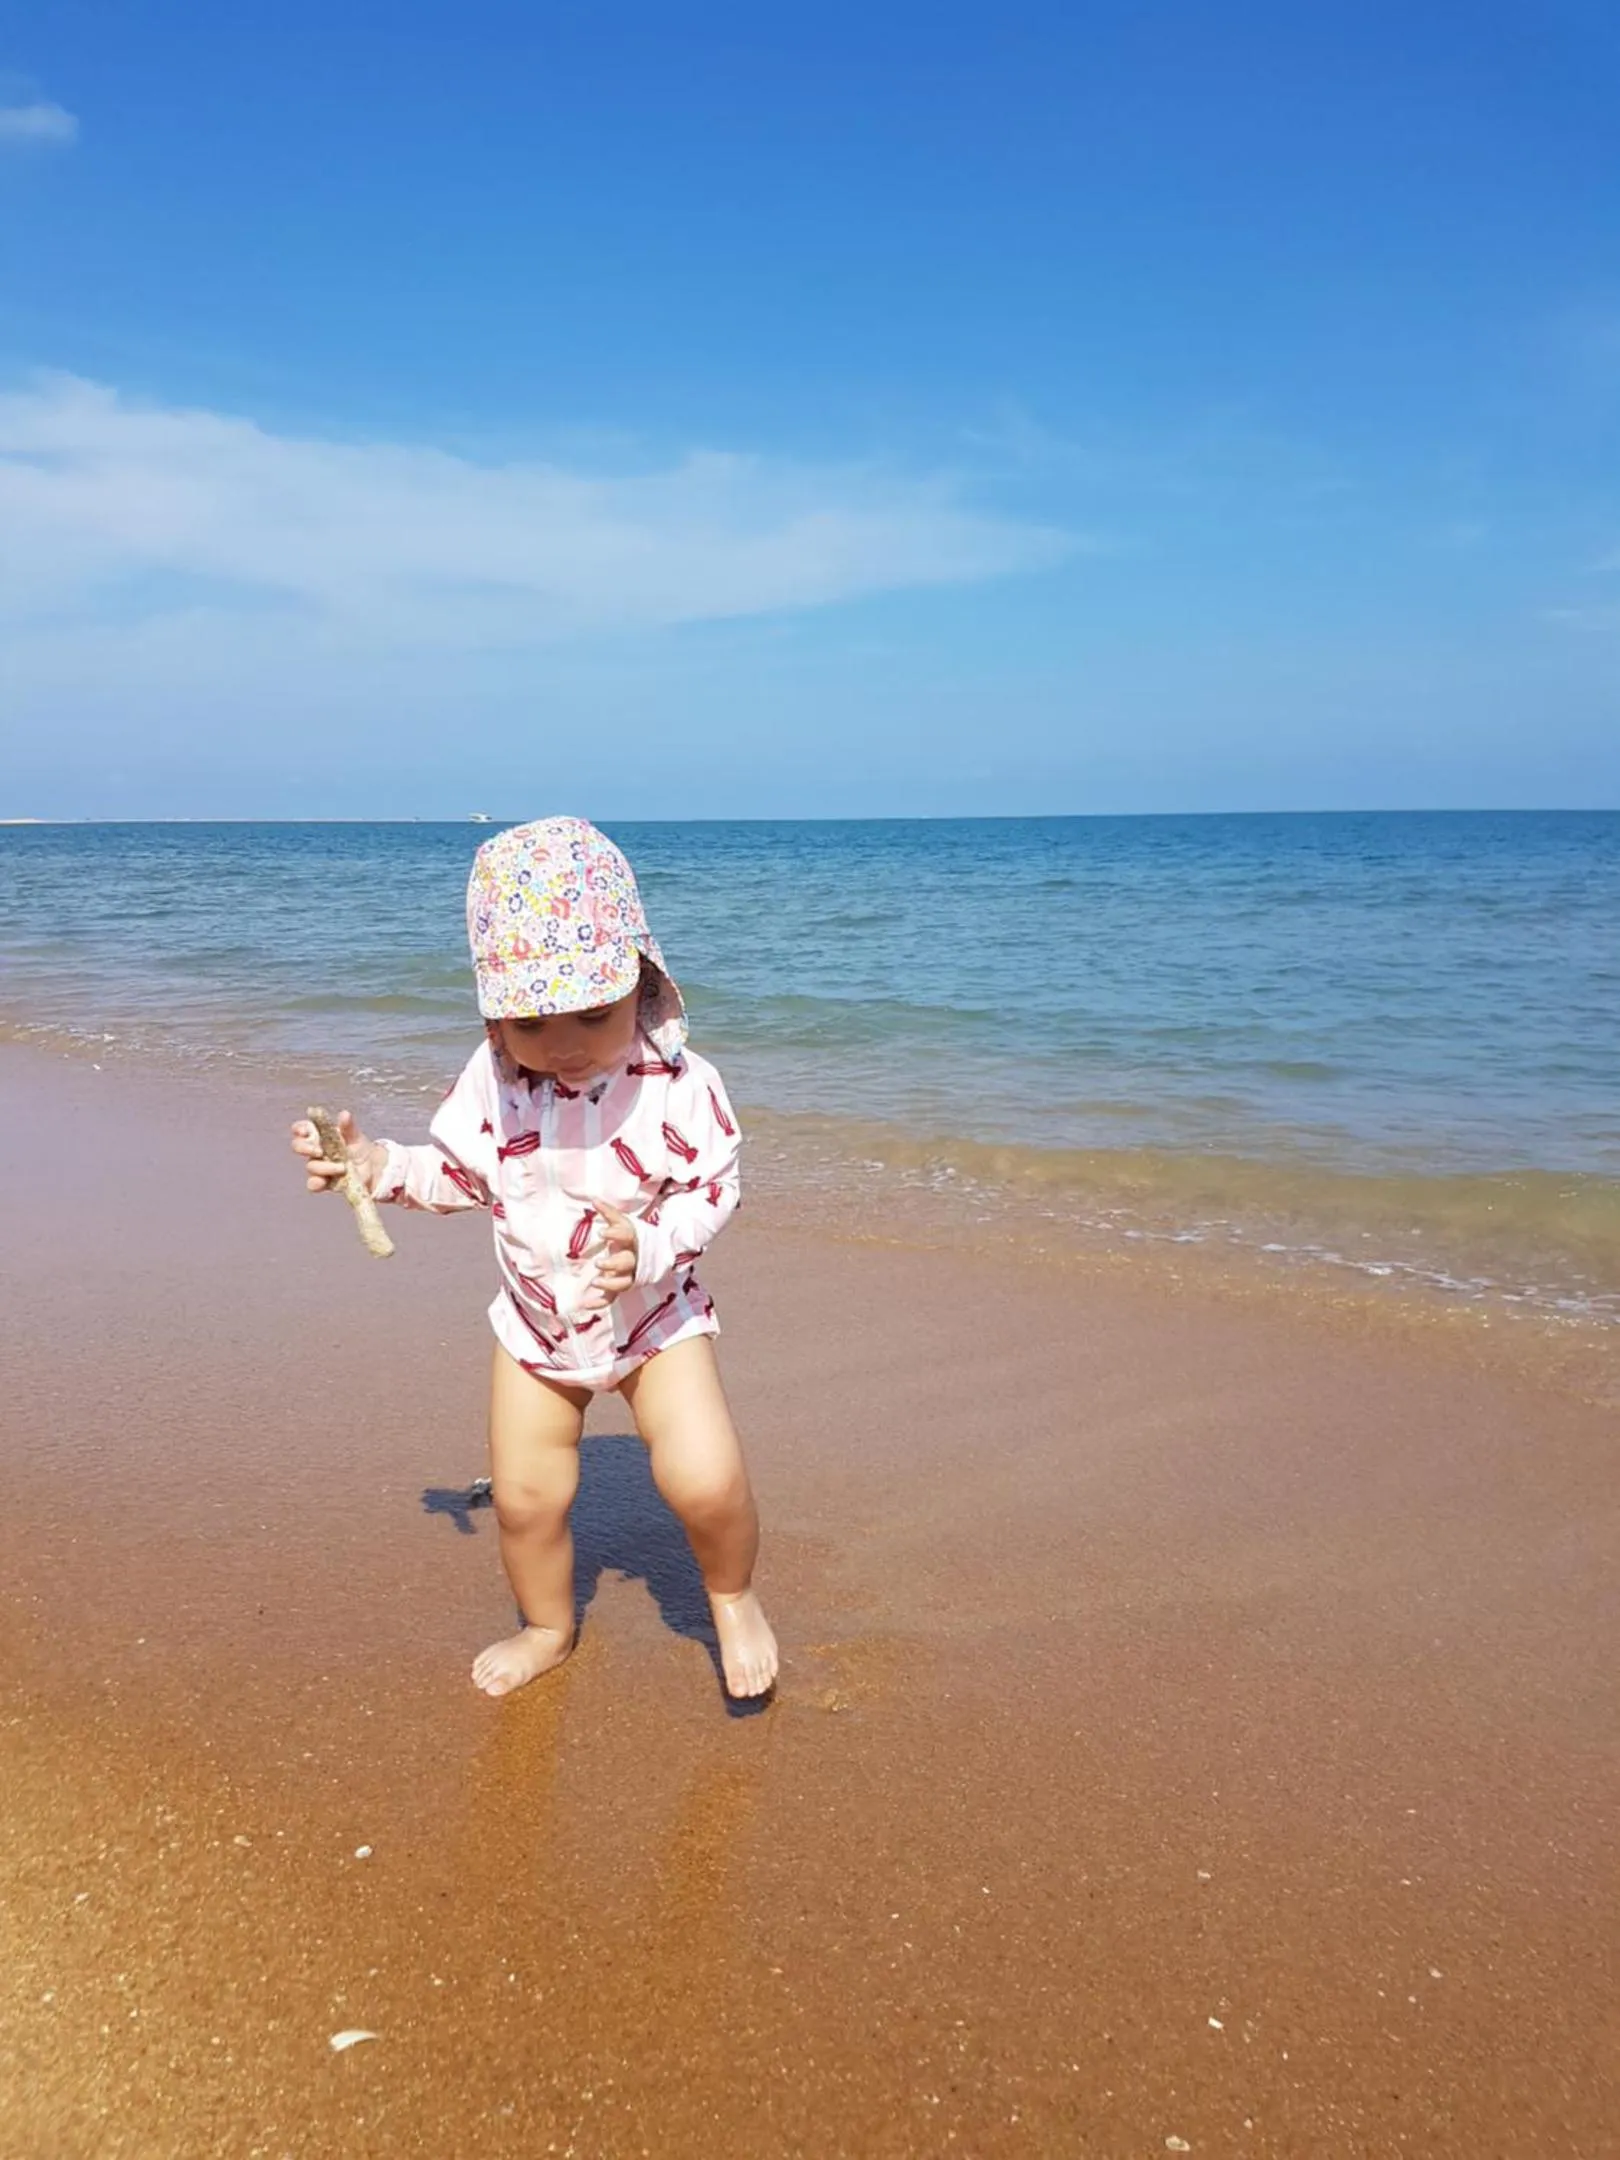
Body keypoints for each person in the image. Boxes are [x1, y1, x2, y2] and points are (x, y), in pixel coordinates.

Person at [290, 817, 778, 1702]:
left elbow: (716, 1184)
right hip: (535, 1330)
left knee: (704, 1478)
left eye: (594, 1012)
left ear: (643, 983)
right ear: (493, 1013)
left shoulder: (679, 1085)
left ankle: (732, 1595)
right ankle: (547, 1625)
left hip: (654, 1319)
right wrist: (377, 1166)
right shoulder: (492, 1083)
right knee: (525, 1499)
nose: (563, 1045)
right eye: (531, 1019)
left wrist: (654, 1244)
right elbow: (457, 1175)